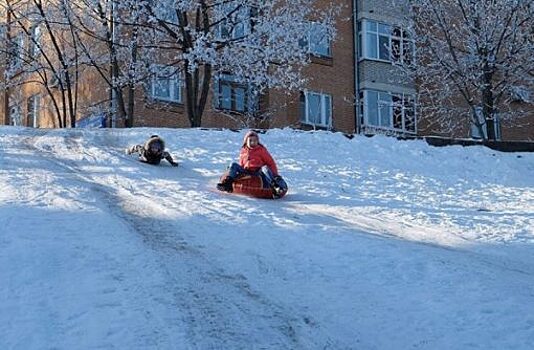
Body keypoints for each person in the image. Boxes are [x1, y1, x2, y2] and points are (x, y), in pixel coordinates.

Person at [217, 130, 286, 197]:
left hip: (258, 171)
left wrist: (275, 174)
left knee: (265, 168)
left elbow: (270, 162)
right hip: (246, 171)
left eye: (255, 141)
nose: (253, 142)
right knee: (233, 164)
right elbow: (241, 164)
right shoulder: (243, 151)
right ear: (246, 142)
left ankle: (275, 186)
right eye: (250, 140)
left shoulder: (261, 150)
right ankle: (227, 184)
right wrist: (236, 173)